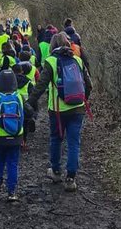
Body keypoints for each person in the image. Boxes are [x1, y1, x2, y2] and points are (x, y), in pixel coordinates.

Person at [27, 31, 91, 193]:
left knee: (56, 139)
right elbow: (88, 84)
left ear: (52, 46)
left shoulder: (50, 62)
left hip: (57, 110)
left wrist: (29, 103)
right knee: (74, 142)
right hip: (78, 108)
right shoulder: (77, 60)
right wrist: (83, 99)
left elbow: (40, 86)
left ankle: (56, 172)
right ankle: (71, 178)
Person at [0, 66, 31, 202]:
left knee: (0, 159)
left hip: (0, 136)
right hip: (16, 136)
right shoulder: (19, 97)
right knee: (13, 163)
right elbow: (29, 113)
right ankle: (12, 192)